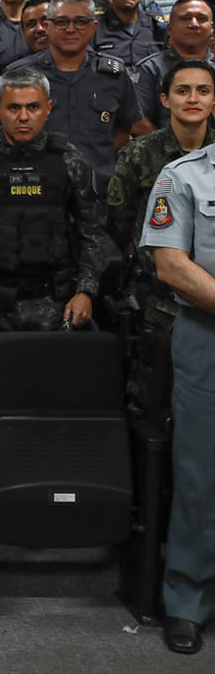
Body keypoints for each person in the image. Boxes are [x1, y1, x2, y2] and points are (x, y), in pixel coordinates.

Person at [0, 67, 106, 384]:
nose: (23, 117)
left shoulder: (70, 160)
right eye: (14, 107)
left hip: (54, 303)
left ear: (48, 108)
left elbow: (92, 231)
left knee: (52, 394)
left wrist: (86, 291)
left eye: (33, 107)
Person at [140, 73, 215, 654]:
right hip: (205, 338)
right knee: (199, 475)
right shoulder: (185, 175)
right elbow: (171, 266)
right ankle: (187, 599)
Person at [107, 60, 215, 415]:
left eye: (203, 91)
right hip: (156, 296)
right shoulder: (139, 153)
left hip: (208, 298)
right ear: (165, 100)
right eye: (183, 91)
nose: (193, 99)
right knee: (150, 397)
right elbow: (118, 221)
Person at [9, 0, 144, 187]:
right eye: (62, 22)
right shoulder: (18, 76)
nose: (71, 29)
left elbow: (123, 132)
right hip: (37, 191)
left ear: (93, 27)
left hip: (99, 192)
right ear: (47, 26)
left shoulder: (114, 75)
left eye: (80, 22)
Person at [134, 0, 215, 128]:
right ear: (170, 28)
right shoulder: (151, 68)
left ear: (211, 28)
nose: (194, 24)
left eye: (201, 19)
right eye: (185, 18)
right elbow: (140, 121)